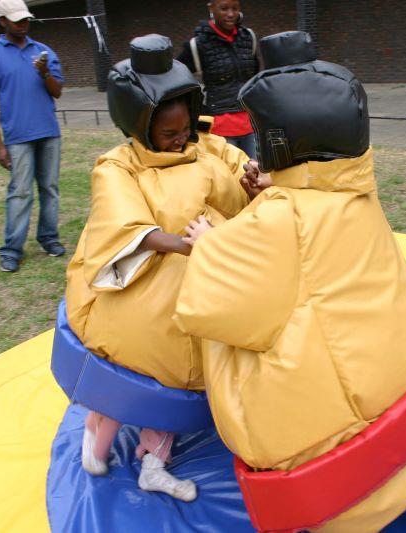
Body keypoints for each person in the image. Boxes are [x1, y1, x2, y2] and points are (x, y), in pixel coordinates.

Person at [175, 31, 406, 532]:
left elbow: (221, 308)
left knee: (333, 463)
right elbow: (307, 233)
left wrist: (208, 241)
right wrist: (272, 189)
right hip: (393, 365)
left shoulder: (281, 220)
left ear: (280, 140)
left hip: (335, 396)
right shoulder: (353, 190)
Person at [64, 34, 252, 502]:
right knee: (133, 364)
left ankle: (154, 460)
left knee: (182, 382)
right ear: (140, 126)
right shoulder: (119, 167)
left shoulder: (208, 147)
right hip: (146, 281)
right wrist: (189, 246)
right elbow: (129, 229)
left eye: (184, 128)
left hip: (208, 278)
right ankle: (98, 434)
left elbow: (244, 170)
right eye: (169, 134)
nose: (180, 139)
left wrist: (254, 175)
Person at [0, 0, 66, 273]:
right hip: (17, 137)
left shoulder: (44, 51)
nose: (23, 24)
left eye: (26, 19)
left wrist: (44, 72)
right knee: (20, 193)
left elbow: (57, 91)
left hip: (49, 132)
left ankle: (49, 238)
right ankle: (12, 250)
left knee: (49, 189)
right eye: (17, 20)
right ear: (2, 21)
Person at [177, 0, 259, 159]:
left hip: (251, 125)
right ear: (211, 8)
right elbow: (176, 80)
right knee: (229, 179)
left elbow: (255, 78)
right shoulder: (197, 45)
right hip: (219, 129)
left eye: (235, 8)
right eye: (224, 8)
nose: (230, 14)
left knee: (257, 177)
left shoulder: (249, 37)